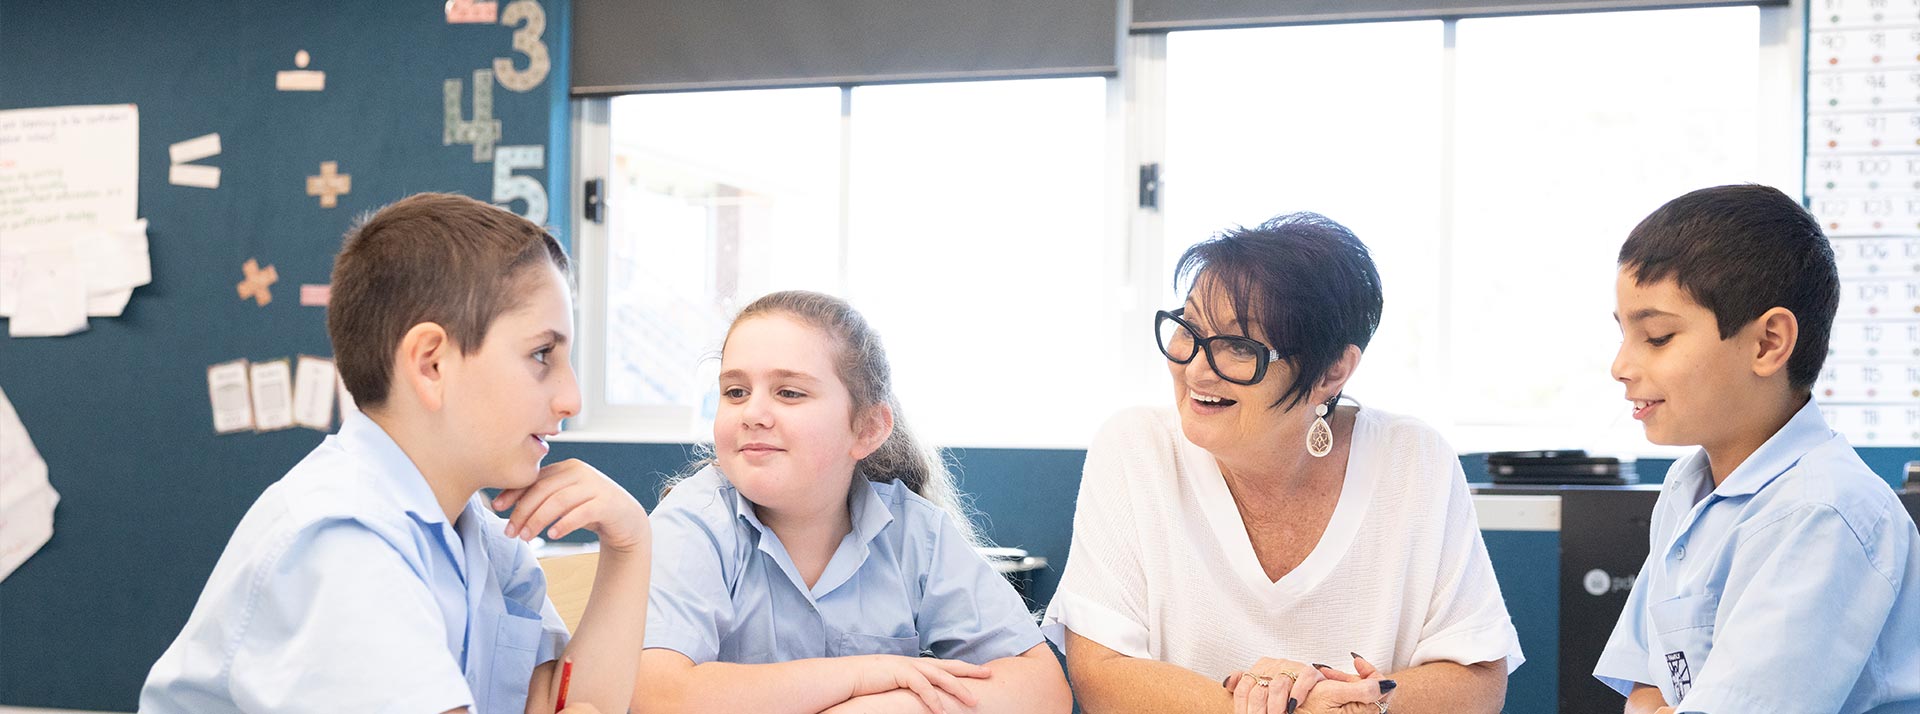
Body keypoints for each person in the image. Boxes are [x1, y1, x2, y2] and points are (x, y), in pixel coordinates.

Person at [140, 193, 651, 714]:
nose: (572, 398)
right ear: (431, 364)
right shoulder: (340, 541)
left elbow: (556, 703)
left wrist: (630, 544)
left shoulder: (485, 540)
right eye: (542, 355)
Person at [1046, 213, 1521, 714]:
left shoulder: (1414, 459)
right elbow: (1101, 672)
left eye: (1237, 346)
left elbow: (1476, 679)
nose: (1196, 367)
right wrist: (1283, 709)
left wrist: (1356, 706)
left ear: (1333, 370)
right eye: (1188, 328)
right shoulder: (1135, 447)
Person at [635, 290, 1071, 714]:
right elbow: (661, 696)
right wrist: (864, 674)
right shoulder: (692, 523)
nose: (752, 413)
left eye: (789, 392)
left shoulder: (917, 534)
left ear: (866, 429)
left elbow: (1042, 689)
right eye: (735, 392)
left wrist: (898, 704)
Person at [1595, 184, 1920, 714]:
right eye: (1623, 335)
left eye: (1655, 337)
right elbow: (1645, 680)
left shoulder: (1824, 511)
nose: (1621, 367)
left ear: (1769, 343)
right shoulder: (1688, 484)